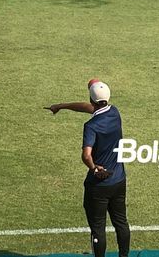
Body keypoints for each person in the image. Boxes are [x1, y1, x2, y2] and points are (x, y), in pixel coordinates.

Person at [44, 79, 130, 257]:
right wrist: (62, 105)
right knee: (121, 222)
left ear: (92, 100)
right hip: (119, 180)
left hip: (98, 185)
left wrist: (93, 168)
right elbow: (88, 107)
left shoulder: (91, 126)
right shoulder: (115, 112)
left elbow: (86, 155)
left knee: (98, 228)